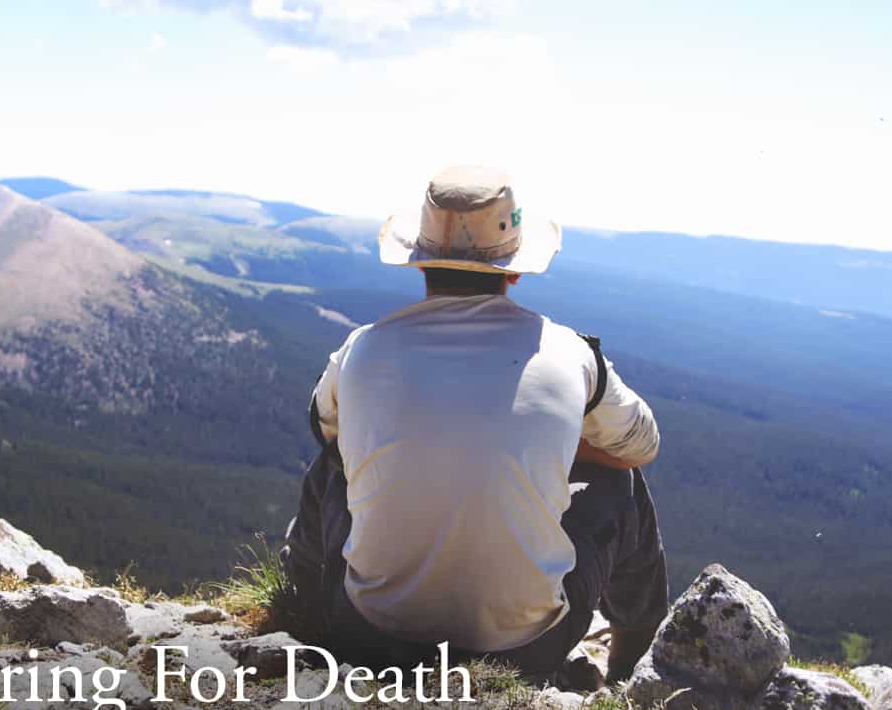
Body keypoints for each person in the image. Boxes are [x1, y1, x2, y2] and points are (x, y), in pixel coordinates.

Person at [281, 166, 668, 683]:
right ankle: (636, 667)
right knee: (622, 482)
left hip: (368, 635)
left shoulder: (361, 349)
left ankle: (303, 619)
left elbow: (325, 431)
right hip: (525, 651)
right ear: (515, 269)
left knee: (332, 462)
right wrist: (551, 441)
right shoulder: (571, 354)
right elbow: (641, 445)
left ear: (421, 264)